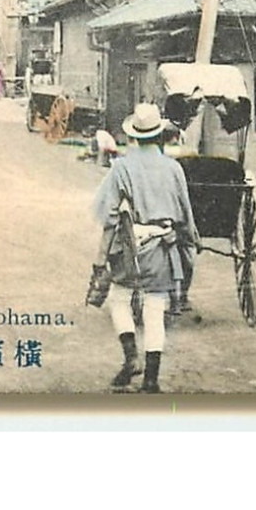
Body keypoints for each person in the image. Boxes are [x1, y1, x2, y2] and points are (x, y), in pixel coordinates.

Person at [91, 103, 197, 394]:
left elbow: (110, 217)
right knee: (155, 309)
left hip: (129, 247)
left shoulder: (122, 167)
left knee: (119, 300)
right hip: (162, 247)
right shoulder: (173, 168)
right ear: (160, 134)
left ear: (134, 136)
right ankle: (151, 379)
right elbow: (185, 212)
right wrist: (190, 244)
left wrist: (101, 259)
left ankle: (130, 358)